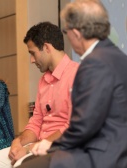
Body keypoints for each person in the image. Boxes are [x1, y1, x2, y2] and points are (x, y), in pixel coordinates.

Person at [17, 0, 127, 168]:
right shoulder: (115, 56)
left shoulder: (94, 64)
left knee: (27, 166)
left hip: (101, 153)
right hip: (113, 146)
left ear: (76, 33)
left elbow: (84, 125)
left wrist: (50, 144)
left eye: (66, 31)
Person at [0, 22, 79, 168]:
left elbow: (73, 127)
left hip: (62, 148)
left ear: (47, 48)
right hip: (36, 146)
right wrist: (19, 142)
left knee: (20, 165)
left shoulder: (79, 75)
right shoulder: (43, 81)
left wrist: (29, 148)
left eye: (33, 53)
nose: (32, 60)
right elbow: (36, 122)